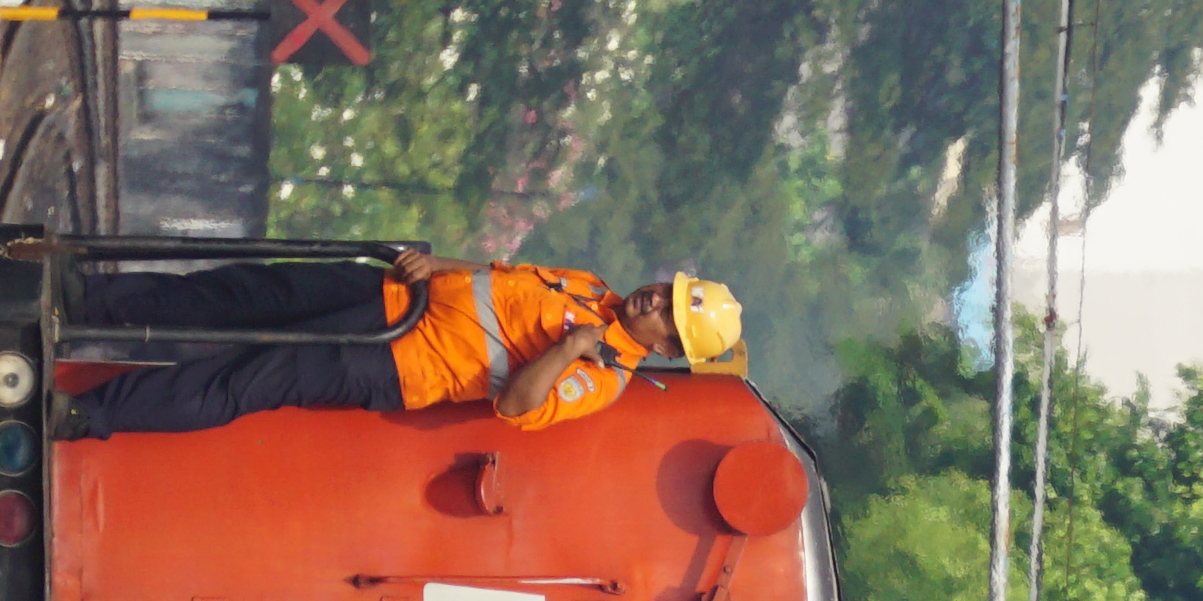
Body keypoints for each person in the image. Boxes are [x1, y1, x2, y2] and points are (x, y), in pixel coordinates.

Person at [53, 254, 744, 439]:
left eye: (667, 314)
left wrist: (571, 350)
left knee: (244, 377)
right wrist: (426, 266)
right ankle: (88, 299)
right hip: (389, 296)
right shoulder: (591, 285)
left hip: (394, 361)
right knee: (239, 293)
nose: (654, 298)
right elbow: (489, 280)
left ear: (664, 348)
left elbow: (515, 407)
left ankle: (90, 415)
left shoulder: (603, 380)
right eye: (665, 289)